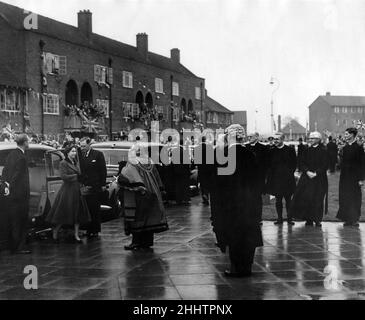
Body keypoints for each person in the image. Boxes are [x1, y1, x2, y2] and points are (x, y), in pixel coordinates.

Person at [211, 124, 263, 278]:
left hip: (230, 203)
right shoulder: (251, 154)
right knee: (248, 235)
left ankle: (235, 268)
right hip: (249, 203)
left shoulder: (222, 155)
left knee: (233, 235)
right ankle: (247, 267)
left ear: (228, 137)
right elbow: (257, 181)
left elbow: (218, 182)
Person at [118, 144, 168, 250]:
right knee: (149, 217)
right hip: (152, 192)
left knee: (137, 217)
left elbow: (127, 177)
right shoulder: (149, 161)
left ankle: (136, 242)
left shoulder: (133, 163)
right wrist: (161, 189)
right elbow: (157, 176)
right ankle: (147, 242)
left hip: (138, 194)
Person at [46, 145, 90, 243]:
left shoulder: (76, 163)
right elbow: (64, 176)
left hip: (77, 190)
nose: (74, 153)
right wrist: (77, 176)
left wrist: (82, 179)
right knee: (64, 213)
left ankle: (76, 234)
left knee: (78, 213)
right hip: (68, 191)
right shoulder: (63, 163)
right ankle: (56, 231)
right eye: (72, 151)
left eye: (75, 151)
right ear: (67, 153)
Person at [291, 132, 329, 227]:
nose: (310, 140)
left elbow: (325, 164)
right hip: (307, 178)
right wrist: (307, 171)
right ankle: (308, 219)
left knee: (318, 199)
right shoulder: (306, 150)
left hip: (319, 178)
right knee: (307, 198)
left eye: (312, 138)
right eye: (310, 138)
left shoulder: (324, 150)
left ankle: (317, 220)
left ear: (318, 139)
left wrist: (316, 173)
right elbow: (301, 162)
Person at [1, 134, 31, 254]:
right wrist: (12, 185)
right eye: (27, 141)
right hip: (20, 195)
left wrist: (6, 185)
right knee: (22, 220)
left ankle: (12, 245)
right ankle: (20, 247)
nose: (28, 143)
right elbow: (18, 175)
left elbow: (5, 171)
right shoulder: (22, 157)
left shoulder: (11, 155)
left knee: (14, 220)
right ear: (24, 142)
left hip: (11, 195)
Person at [265, 133, 297, 225]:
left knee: (288, 200)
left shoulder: (290, 150)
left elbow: (294, 163)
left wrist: (289, 173)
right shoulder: (272, 151)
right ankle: (279, 218)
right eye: (274, 139)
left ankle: (289, 218)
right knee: (278, 200)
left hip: (287, 179)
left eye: (277, 139)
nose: (275, 141)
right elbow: (269, 164)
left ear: (282, 139)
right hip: (276, 180)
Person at [79, 137, 107, 238]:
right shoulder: (79, 155)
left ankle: (95, 230)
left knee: (94, 208)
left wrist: (103, 184)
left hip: (95, 185)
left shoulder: (98, 154)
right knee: (86, 208)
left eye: (84, 146)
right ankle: (87, 229)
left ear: (89, 145)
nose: (82, 148)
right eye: (81, 146)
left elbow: (102, 170)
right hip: (84, 185)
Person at [337, 128, 365, 227]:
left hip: (355, 177)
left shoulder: (359, 148)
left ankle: (355, 219)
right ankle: (347, 219)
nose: (345, 135)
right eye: (345, 134)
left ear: (352, 135)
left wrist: (361, 179)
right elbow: (342, 163)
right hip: (345, 177)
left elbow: (362, 164)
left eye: (347, 134)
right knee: (345, 197)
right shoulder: (345, 148)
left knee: (355, 197)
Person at [246, 132, 269, 224]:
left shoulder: (263, 148)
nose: (249, 138)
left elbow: (265, 163)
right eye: (248, 137)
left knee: (257, 199)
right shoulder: (245, 147)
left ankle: (258, 218)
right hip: (247, 178)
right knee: (247, 198)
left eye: (251, 136)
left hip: (258, 178)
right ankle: (249, 217)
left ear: (256, 137)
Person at [195, 136, 214, 205]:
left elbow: (196, 161)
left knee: (203, 183)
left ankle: (204, 196)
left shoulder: (197, 148)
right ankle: (208, 195)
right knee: (209, 182)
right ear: (205, 140)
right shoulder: (210, 147)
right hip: (209, 168)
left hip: (201, 169)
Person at [171, 139, 191, 205]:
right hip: (184, 171)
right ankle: (185, 199)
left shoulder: (174, 151)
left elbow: (172, 161)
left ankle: (178, 200)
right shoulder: (185, 151)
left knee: (178, 185)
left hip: (176, 171)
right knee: (185, 185)